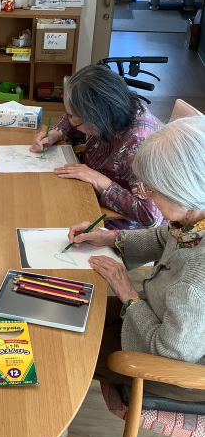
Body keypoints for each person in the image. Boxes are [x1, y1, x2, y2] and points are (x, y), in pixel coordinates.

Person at [67, 117, 205, 401]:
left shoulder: (195, 281)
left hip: (174, 368)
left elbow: (170, 354)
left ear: (182, 190)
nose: (147, 196)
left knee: (71, 347)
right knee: (76, 309)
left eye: (151, 189)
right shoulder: (192, 220)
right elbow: (163, 238)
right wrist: (111, 238)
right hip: (159, 316)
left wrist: (128, 294)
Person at [30, 64, 164, 230]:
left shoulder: (139, 146)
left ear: (97, 118)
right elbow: (74, 120)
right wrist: (54, 134)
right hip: (89, 188)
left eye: (73, 116)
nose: (69, 120)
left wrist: (100, 181)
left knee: (44, 216)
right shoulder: (112, 111)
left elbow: (151, 217)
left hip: (120, 225)